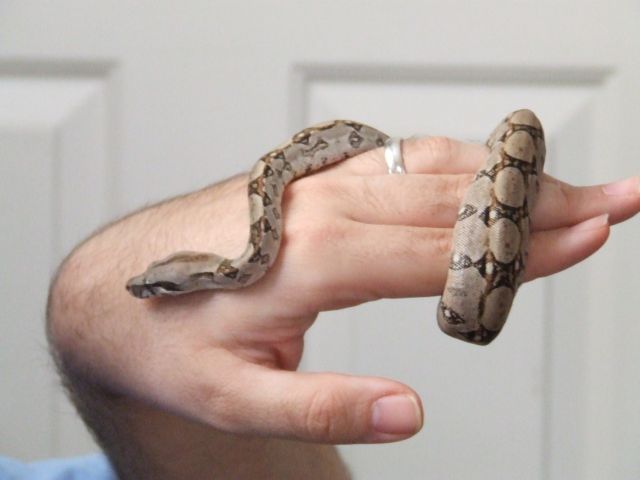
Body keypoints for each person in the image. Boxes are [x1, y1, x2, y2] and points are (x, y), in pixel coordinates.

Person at [6, 135, 639, 479]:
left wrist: (87, 317)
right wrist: (84, 315)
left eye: (155, 288)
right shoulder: (243, 257)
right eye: (155, 291)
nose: (149, 296)